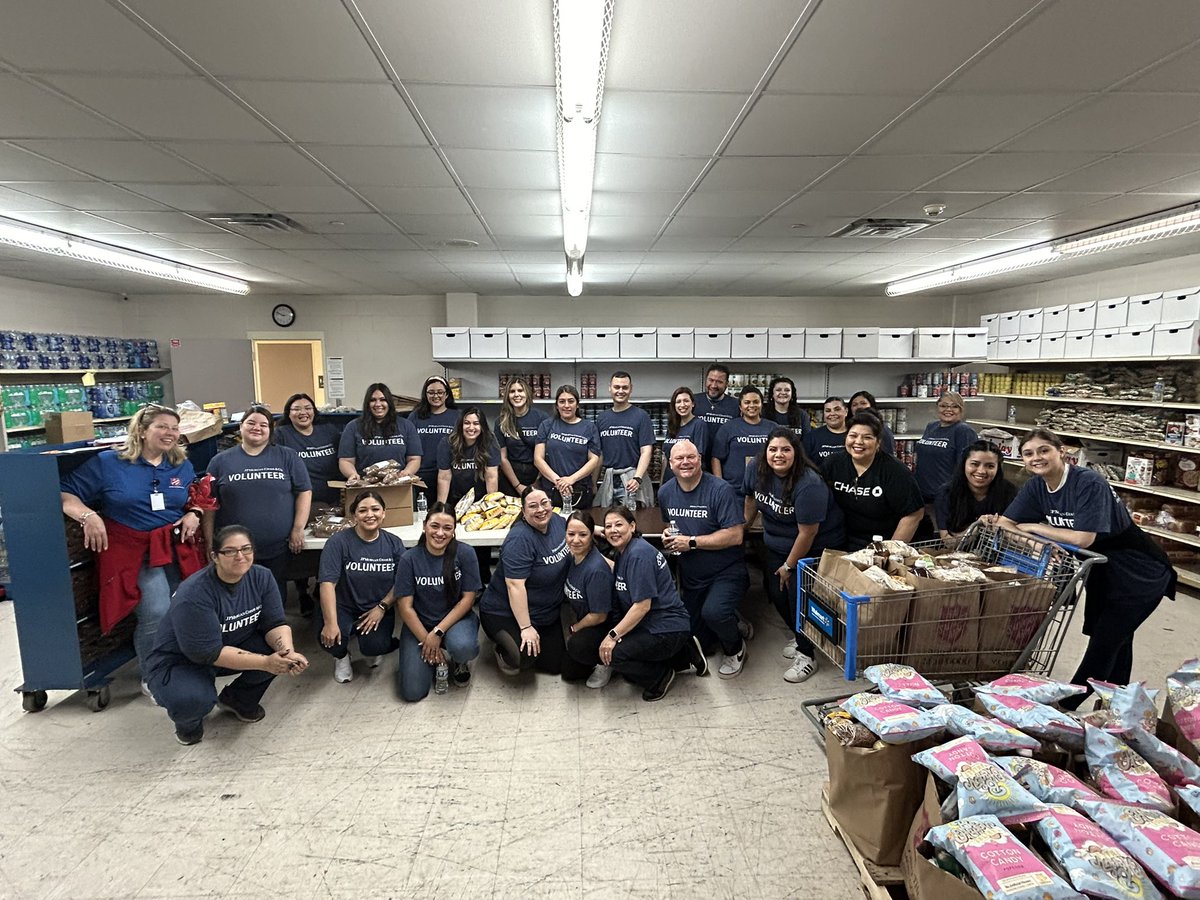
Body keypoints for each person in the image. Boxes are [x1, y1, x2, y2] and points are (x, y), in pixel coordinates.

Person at [997, 428, 1176, 708]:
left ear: (1062, 453)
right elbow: (1005, 524)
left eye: (1044, 450)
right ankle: (1117, 706)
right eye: (1029, 453)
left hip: (1139, 569)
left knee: (1106, 639)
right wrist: (1036, 544)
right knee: (1116, 638)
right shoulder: (1036, 486)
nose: (1037, 457)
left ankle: (1066, 704)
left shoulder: (1088, 482)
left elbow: (1083, 538)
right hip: (1102, 568)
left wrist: (1036, 527)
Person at [60, 403, 206, 697]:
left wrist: (195, 513)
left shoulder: (180, 464)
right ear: (141, 430)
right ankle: (154, 676)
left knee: (184, 606)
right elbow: (65, 493)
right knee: (155, 610)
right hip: (133, 551)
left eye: (175, 428)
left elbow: (196, 496)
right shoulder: (108, 463)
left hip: (176, 547)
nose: (170, 433)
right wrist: (88, 516)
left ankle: (179, 662)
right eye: (162, 426)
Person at [144, 525, 309, 745]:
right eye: (230, 551)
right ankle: (188, 724)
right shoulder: (195, 593)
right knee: (194, 700)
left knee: (277, 654)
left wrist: (286, 652)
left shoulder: (262, 577)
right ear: (215, 556)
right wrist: (266, 663)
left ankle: (238, 700)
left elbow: (275, 623)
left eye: (246, 549)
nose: (240, 556)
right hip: (181, 660)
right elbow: (208, 653)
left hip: (227, 647)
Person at [743, 428, 845, 684]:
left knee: (795, 597)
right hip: (776, 544)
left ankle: (807, 655)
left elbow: (808, 533)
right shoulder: (756, 468)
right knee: (775, 593)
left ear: (796, 453)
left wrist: (789, 566)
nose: (778, 455)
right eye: (773, 449)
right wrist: (741, 529)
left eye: (786, 449)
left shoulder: (808, 483)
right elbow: (750, 499)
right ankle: (802, 635)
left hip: (809, 547)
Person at [658, 440, 749, 679]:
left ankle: (736, 648)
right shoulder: (666, 491)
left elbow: (736, 535)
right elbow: (671, 525)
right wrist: (669, 535)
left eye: (691, 457)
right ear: (670, 463)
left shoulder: (720, 489)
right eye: (679, 459)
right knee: (699, 641)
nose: (685, 462)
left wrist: (692, 542)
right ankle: (732, 619)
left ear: (700, 459)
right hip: (693, 576)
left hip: (726, 571)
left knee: (714, 613)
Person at [203, 405, 312, 604]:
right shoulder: (220, 461)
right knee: (236, 600)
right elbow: (209, 505)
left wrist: (298, 528)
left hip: (276, 548)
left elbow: (304, 491)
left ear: (271, 430)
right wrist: (209, 541)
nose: (257, 428)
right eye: (251, 423)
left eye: (264, 425)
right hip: (233, 551)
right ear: (241, 426)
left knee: (274, 597)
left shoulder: (287, 456)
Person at [601, 505, 708, 701]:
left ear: (632, 526)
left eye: (619, 524)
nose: (613, 530)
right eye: (608, 527)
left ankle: (660, 677)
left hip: (665, 626)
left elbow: (642, 606)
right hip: (657, 622)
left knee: (615, 655)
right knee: (628, 671)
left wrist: (613, 635)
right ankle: (685, 652)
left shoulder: (638, 555)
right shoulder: (626, 550)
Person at [316, 489, 406, 683]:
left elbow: (401, 582)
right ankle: (341, 657)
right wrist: (331, 623)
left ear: (384, 513)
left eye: (375, 509)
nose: (370, 515)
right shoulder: (338, 542)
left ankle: (372, 646)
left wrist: (382, 607)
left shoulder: (394, 543)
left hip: (378, 606)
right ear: (354, 515)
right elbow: (327, 584)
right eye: (363, 510)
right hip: (344, 606)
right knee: (330, 638)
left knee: (374, 646)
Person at [478, 487, 571, 675]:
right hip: (504, 611)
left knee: (556, 666)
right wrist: (526, 627)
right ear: (523, 511)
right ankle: (501, 648)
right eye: (533, 506)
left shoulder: (557, 522)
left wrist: (599, 530)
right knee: (523, 658)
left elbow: (574, 527)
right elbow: (515, 586)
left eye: (544, 503)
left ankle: (527, 636)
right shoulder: (519, 539)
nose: (541, 509)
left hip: (544, 611)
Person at [395, 502, 482, 701]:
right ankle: (434, 656)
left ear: (454, 530)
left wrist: (438, 632)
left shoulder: (465, 553)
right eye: (434, 526)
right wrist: (427, 639)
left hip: (455, 621)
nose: (440, 533)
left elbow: (468, 599)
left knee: (462, 647)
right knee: (413, 693)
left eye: (447, 528)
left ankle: (459, 661)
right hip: (419, 624)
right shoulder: (409, 559)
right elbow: (405, 607)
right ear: (425, 526)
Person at [274, 392, 342, 615]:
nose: (303, 413)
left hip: (333, 498)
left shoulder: (329, 431)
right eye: (296, 409)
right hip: (301, 503)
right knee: (301, 547)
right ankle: (302, 591)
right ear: (288, 413)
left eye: (307, 408)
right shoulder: (282, 434)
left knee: (332, 546)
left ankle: (324, 587)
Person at [822, 412, 924, 551]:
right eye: (853, 435)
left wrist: (889, 552)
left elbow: (914, 514)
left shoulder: (894, 471)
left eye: (867, 437)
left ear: (878, 443)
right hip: (842, 541)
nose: (858, 441)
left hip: (882, 542)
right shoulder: (833, 464)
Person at [560, 511, 616, 688]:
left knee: (577, 647)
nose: (576, 540)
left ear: (592, 536)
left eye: (583, 535)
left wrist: (574, 628)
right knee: (569, 672)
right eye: (571, 534)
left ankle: (608, 662)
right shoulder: (573, 557)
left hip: (603, 625)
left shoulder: (595, 570)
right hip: (586, 620)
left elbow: (599, 616)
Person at [534, 385, 601, 510]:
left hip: (580, 491)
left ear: (577, 404)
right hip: (551, 490)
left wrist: (571, 479)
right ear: (556, 405)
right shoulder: (547, 425)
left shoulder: (589, 428)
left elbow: (594, 460)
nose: (566, 405)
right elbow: (538, 459)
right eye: (562, 401)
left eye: (571, 401)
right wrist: (558, 481)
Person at [914, 391, 977, 522]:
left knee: (942, 535)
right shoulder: (931, 426)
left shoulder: (963, 431)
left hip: (946, 497)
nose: (948, 410)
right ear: (937, 407)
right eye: (944, 406)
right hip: (922, 494)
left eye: (954, 406)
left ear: (961, 410)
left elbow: (967, 466)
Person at [338, 382, 422, 481]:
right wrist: (352, 474)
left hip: (398, 485)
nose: (378, 404)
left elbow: (414, 459)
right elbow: (345, 461)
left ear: (389, 402)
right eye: (373, 400)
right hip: (365, 486)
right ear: (367, 404)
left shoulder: (406, 426)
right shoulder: (353, 427)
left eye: (383, 400)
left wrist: (406, 472)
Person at [935, 441, 1016, 541]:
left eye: (990, 466)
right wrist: (976, 527)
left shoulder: (1010, 493)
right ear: (964, 464)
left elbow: (1017, 538)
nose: (981, 471)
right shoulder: (946, 493)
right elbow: (948, 542)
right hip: (957, 554)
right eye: (975, 464)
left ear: (998, 468)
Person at [595, 371, 655, 508]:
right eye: (617, 387)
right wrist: (594, 482)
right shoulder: (602, 418)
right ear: (610, 388)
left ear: (631, 389)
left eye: (625, 387)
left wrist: (637, 478)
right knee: (608, 521)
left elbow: (646, 451)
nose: (620, 391)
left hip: (632, 480)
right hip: (609, 479)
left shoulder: (641, 416)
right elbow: (600, 455)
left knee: (633, 521)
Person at [711, 385, 774, 498]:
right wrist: (719, 485)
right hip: (734, 491)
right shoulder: (728, 428)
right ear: (740, 406)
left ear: (761, 404)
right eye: (747, 402)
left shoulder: (773, 428)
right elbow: (716, 458)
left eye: (756, 402)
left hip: (766, 491)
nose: (752, 405)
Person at [436, 407, 499, 509]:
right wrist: (440, 507)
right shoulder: (447, 443)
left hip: (481, 500)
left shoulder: (490, 441)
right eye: (467, 423)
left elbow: (491, 477)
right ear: (460, 425)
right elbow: (444, 477)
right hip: (456, 499)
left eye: (476, 423)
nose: (471, 427)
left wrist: (491, 506)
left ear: (482, 426)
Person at [496, 376, 548, 497]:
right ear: (507, 396)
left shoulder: (542, 418)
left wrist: (536, 482)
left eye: (520, 390)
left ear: (527, 393)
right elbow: (503, 458)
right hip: (511, 477)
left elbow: (547, 454)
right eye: (512, 391)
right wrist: (518, 486)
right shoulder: (501, 422)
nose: (516, 394)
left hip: (537, 475)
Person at [410, 375, 459, 501]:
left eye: (440, 392)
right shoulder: (415, 417)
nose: (436, 396)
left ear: (447, 394)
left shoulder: (457, 417)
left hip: (450, 474)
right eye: (431, 392)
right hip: (422, 475)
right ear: (425, 395)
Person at [661, 387, 710, 484]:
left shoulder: (699, 425)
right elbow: (666, 460)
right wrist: (661, 484)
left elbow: (697, 460)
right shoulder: (672, 426)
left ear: (693, 404)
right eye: (678, 401)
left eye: (686, 401)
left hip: (688, 482)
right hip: (670, 481)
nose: (682, 405)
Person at [848, 390, 896, 456]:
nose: (859, 407)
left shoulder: (882, 429)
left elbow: (888, 456)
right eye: (854, 405)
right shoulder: (848, 427)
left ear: (871, 405)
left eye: (863, 403)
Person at [803, 396, 850, 463]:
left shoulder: (854, 436)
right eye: (828, 411)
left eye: (837, 409)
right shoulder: (812, 437)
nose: (832, 413)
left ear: (846, 411)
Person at [696, 363, 739, 429]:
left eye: (719, 382)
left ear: (726, 384)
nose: (713, 385)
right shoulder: (693, 401)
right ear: (706, 380)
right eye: (711, 380)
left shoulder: (736, 405)